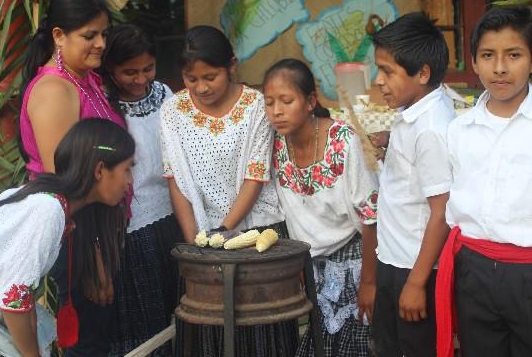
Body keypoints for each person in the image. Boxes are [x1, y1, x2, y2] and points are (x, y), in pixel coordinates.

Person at [0, 118, 135, 357]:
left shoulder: (57, 202)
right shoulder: (47, 211)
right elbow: (14, 299)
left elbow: (19, 293)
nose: (130, 180)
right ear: (100, 170)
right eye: (127, 169)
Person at [160, 25, 295, 356]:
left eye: (211, 76)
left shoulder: (256, 106)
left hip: (256, 234)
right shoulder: (172, 111)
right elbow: (175, 179)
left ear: (231, 66)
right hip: (202, 240)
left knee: (262, 331)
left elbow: (255, 175)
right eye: (192, 79)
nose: (201, 87)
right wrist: (196, 243)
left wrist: (224, 230)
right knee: (210, 331)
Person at [18, 0, 127, 356]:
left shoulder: (86, 79)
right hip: (79, 236)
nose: (100, 43)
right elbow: (65, 185)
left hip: (100, 229)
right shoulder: (54, 90)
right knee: (88, 342)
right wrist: (93, 258)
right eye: (89, 35)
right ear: (59, 36)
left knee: (103, 335)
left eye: (103, 33)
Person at [263, 58, 378, 357]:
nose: (277, 111)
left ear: (310, 101)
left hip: (355, 261)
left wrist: (369, 282)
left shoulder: (343, 141)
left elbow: (371, 215)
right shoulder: (274, 144)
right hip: (312, 267)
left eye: (286, 101)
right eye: (269, 102)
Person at [436, 5, 532, 357]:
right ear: (474, 62)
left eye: (514, 54)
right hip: (474, 269)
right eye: (488, 55)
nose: (500, 67)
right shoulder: (459, 130)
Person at [371, 12, 455, 357]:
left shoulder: (431, 129)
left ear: (423, 72)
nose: (379, 81)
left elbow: (442, 213)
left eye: (388, 71)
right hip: (395, 257)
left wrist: (418, 283)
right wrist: (392, 142)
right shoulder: (417, 113)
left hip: (414, 267)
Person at [101, 24, 182, 356]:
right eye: (128, 72)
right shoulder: (104, 106)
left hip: (175, 216)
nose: (140, 79)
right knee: (145, 325)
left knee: (179, 314)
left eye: (147, 69)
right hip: (133, 229)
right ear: (110, 69)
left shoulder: (165, 95)